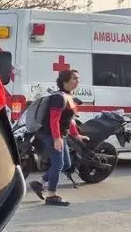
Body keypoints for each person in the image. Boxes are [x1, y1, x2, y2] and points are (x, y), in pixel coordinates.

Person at [29, 69, 89, 207]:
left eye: (78, 78)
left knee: (66, 164)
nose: (77, 81)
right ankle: (52, 195)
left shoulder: (69, 97)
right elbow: (54, 120)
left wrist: (76, 135)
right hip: (51, 134)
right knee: (58, 164)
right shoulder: (59, 98)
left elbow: (70, 120)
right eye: (74, 78)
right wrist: (56, 138)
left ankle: (39, 183)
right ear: (64, 81)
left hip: (59, 135)